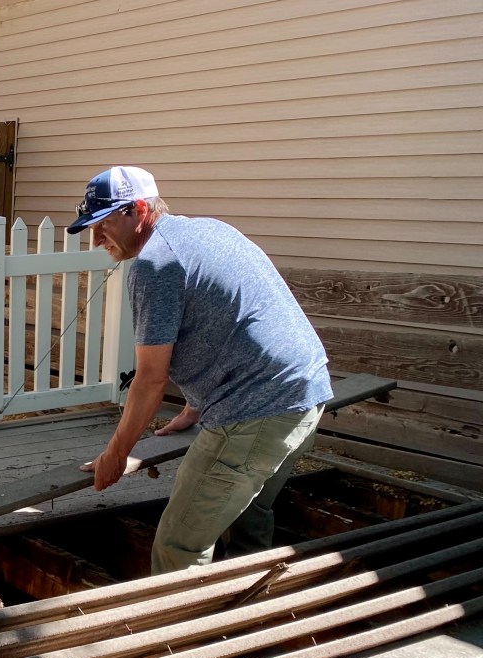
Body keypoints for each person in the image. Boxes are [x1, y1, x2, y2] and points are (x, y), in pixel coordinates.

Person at [68, 166, 333, 575]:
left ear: (138, 210)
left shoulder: (153, 265)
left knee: (179, 544)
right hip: (306, 395)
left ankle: (180, 636)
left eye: (103, 224)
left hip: (256, 410)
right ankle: (249, 619)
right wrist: (195, 407)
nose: (96, 238)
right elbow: (226, 324)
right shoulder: (209, 230)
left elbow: (151, 378)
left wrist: (116, 454)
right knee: (246, 515)